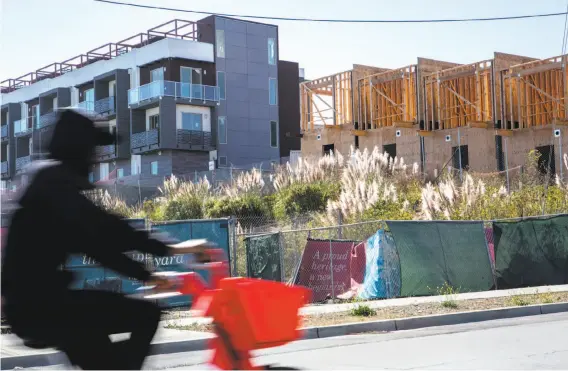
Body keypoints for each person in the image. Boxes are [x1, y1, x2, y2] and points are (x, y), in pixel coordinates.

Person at [1, 109, 176, 370]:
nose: (95, 159)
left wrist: (147, 275)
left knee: (102, 355)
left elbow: (97, 246)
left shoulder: (46, 180)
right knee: (146, 315)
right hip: (43, 308)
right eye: (93, 150)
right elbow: (107, 230)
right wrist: (165, 249)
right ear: (79, 148)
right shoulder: (56, 185)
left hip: (33, 307)